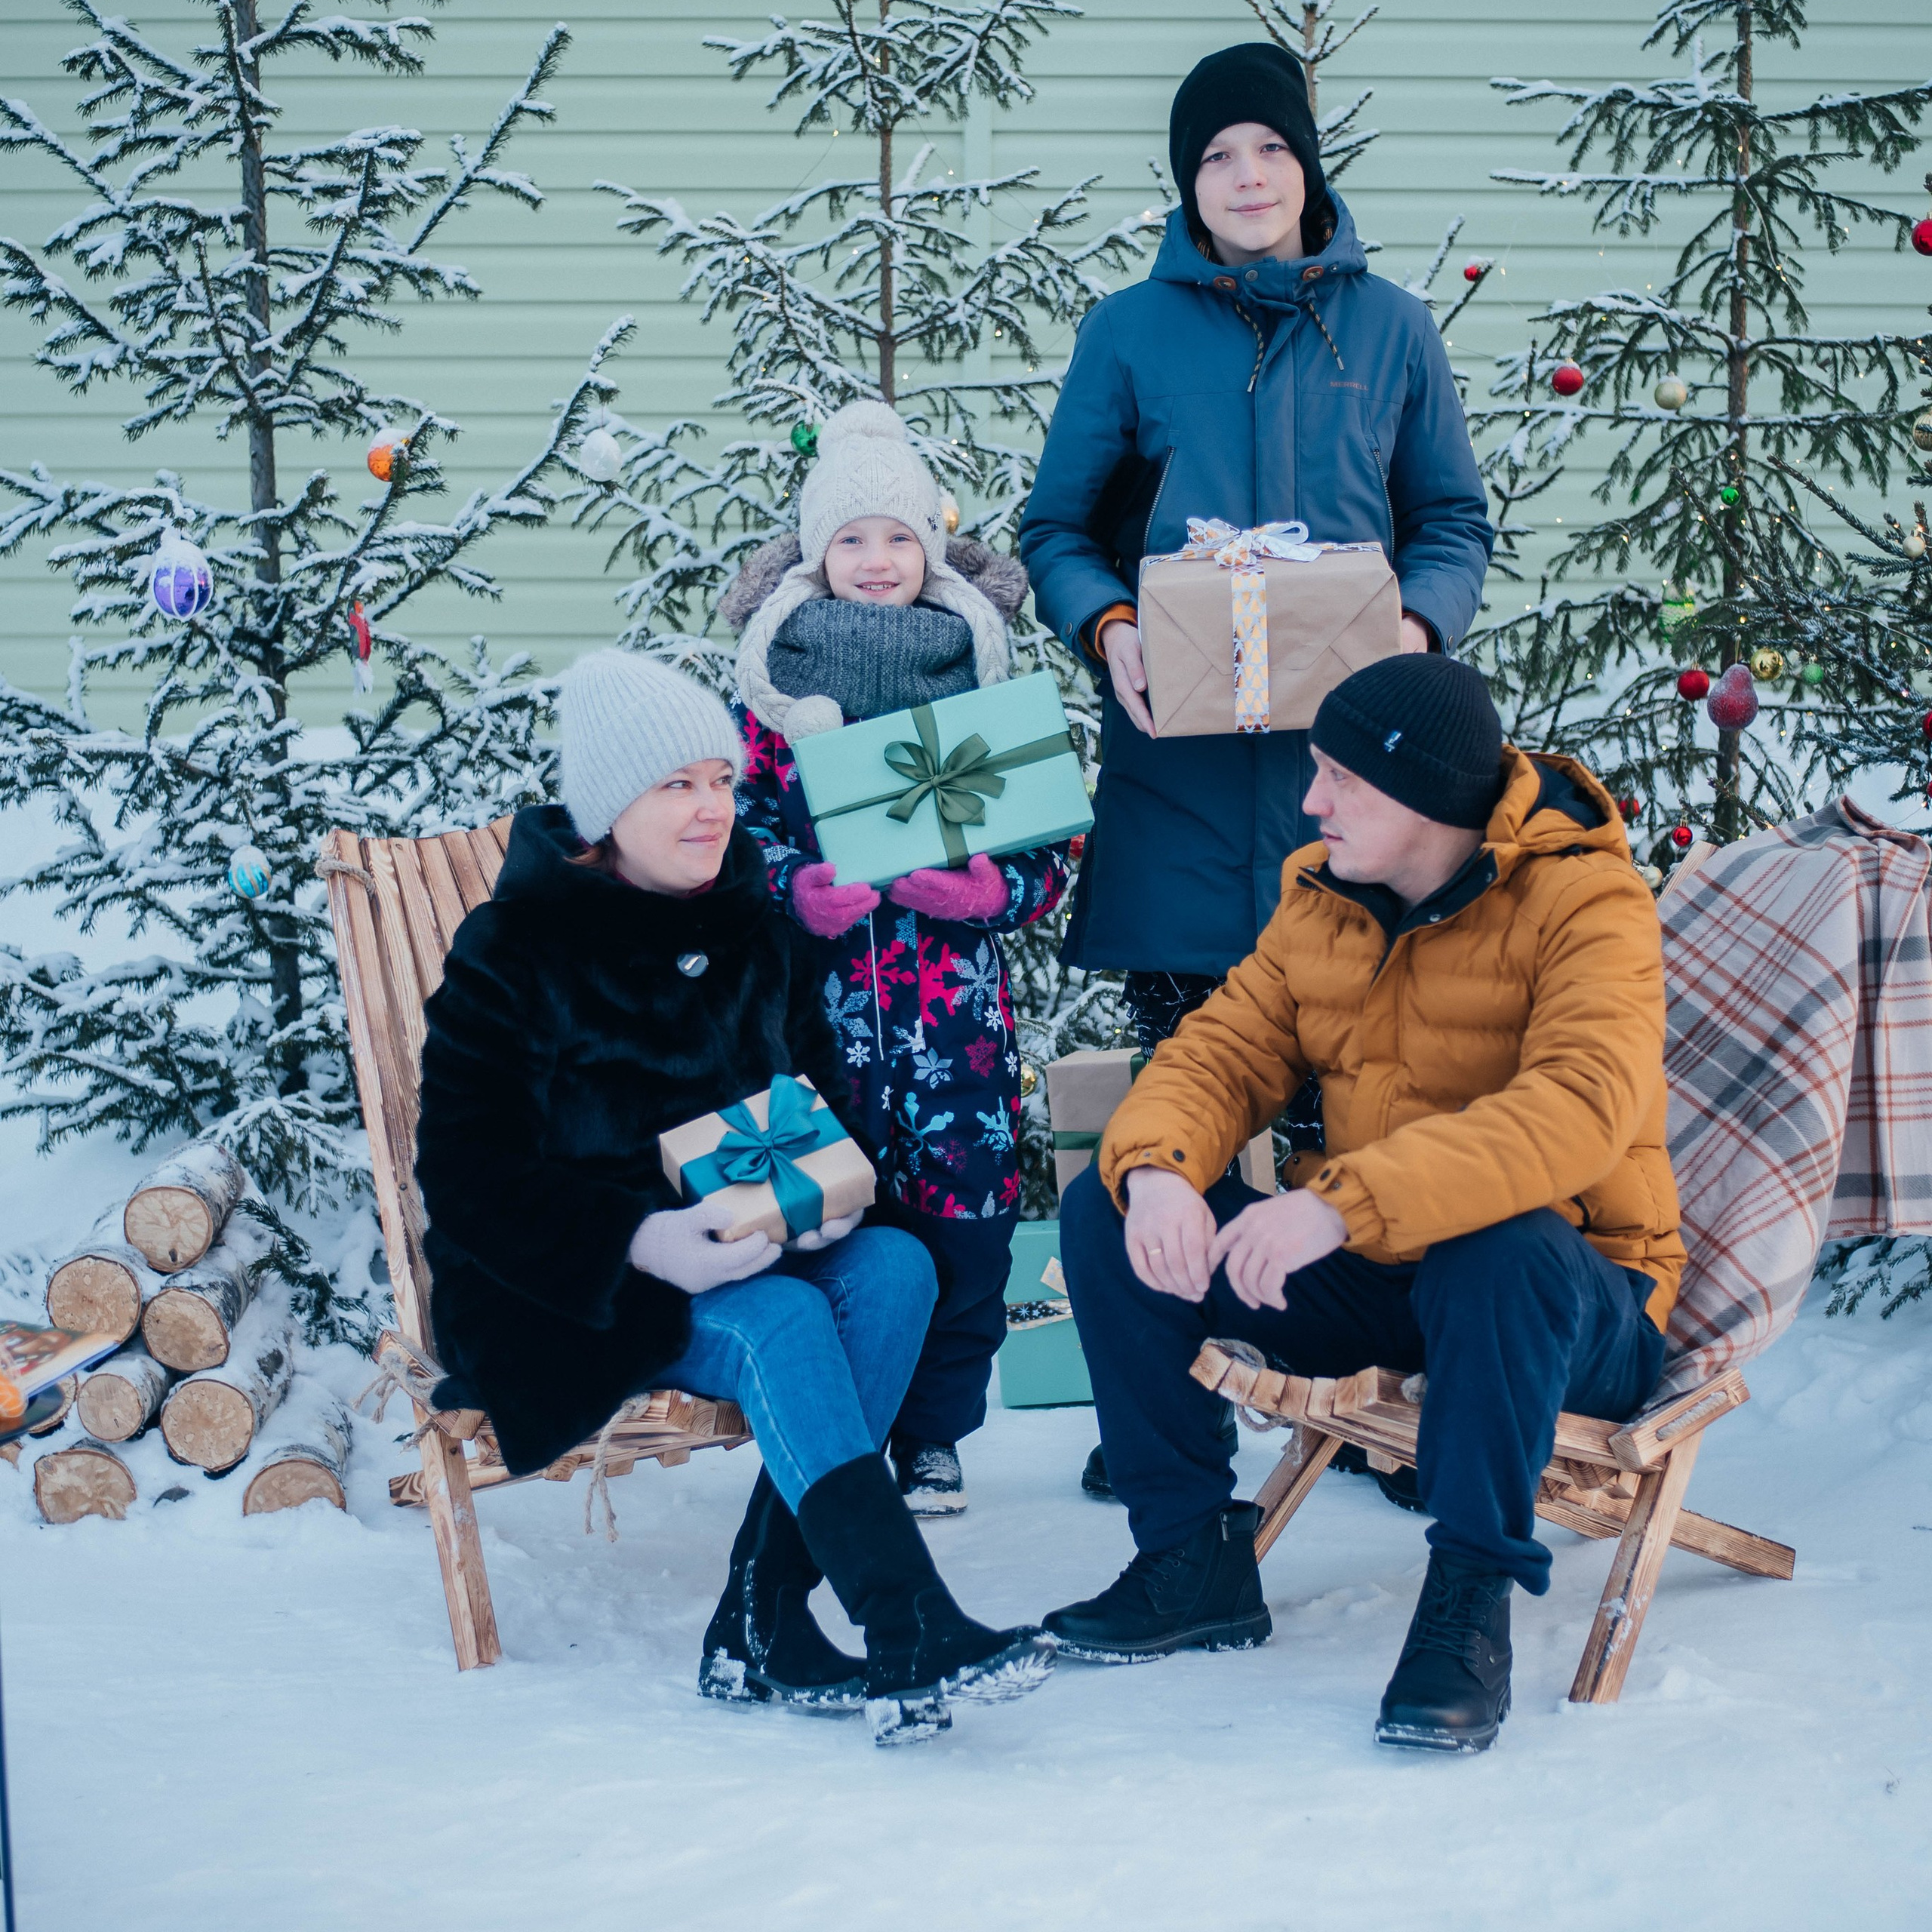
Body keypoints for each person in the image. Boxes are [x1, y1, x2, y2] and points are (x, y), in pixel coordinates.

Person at [1043, 655, 1684, 1753]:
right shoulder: (1324, 900)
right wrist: (1156, 1169)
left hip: (1575, 1302)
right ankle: (1190, 1560)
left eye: (1340, 779)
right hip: (1392, 1272)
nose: (1311, 802)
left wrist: (1340, 1204)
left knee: (1502, 1242)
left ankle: (1470, 1600)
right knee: (1108, 1214)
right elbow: (1223, 1051)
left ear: (1428, 794)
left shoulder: (1589, 902)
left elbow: (1577, 1108)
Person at [412, 651, 1054, 1746]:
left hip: (761, 1243)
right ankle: (907, 1618)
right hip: (579, 1289)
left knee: (899, 1265)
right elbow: (465, 1176)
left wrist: (831, 1190)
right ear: (612, 810)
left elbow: (816, 1092)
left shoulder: (754, 924)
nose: (713, 808)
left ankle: (758, 1617)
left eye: (718, 778)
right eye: (678, 787)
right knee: (784, 1316)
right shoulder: (517, 949)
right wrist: (647, 1242)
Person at [1020, 38, 1494, 1503]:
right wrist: (1107, 626)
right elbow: (1056, 527)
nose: (1243, 177)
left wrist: (1413, 625)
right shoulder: (1126, 331)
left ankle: (1380, 1407)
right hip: (1178, 787)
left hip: (1361, 791)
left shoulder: (1393, 330)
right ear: (1188, 183)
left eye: (1267, 152)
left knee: (1365, 1099)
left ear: (1305, 168)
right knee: (1186, 1105)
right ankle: (1166, 1420)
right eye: (1215, 157)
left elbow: (1452, 517)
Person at [726, 401, 1072, 1518]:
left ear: (933, 548)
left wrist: (988, 890)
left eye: (898, 537)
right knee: (838, 1230)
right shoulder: (772, 700)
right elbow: (739, 839)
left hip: (956, 1032)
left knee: (963, 1241)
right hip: (820, 1026)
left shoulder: (986, 686)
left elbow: (1052, 857)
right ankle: (840, 1435)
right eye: (851, 540)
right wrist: (794, 894)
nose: (877, 562)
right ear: (815, 556)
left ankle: (934, 1439)